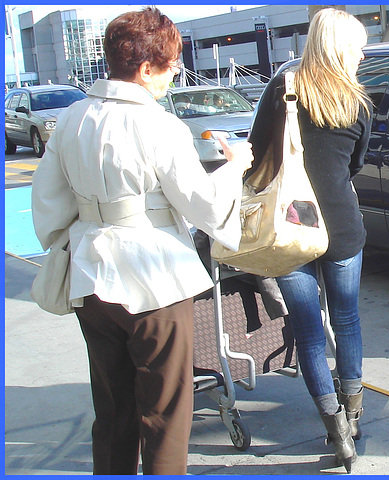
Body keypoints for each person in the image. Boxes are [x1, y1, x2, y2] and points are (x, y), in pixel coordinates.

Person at [30, 7, 252, 475]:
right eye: (171, 65)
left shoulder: (70, 120)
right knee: (166, 414)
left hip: (90, 276)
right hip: (155, 281)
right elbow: (205, 205)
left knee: (112, 411)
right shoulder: (159, 125)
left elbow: (48, 208)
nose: (174, 74)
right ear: (147, 68)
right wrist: (236, 164)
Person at [249, 8, 371, 474]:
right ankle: (355, 413)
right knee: (347, 320)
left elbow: (257, 151)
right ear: (339, 47)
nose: (361, 55)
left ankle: (334, 427)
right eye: (356, 46)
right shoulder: (357, 102)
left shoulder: (283, 89)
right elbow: (353, 164)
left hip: (289, 226)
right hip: (341, 225)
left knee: (308, 331)